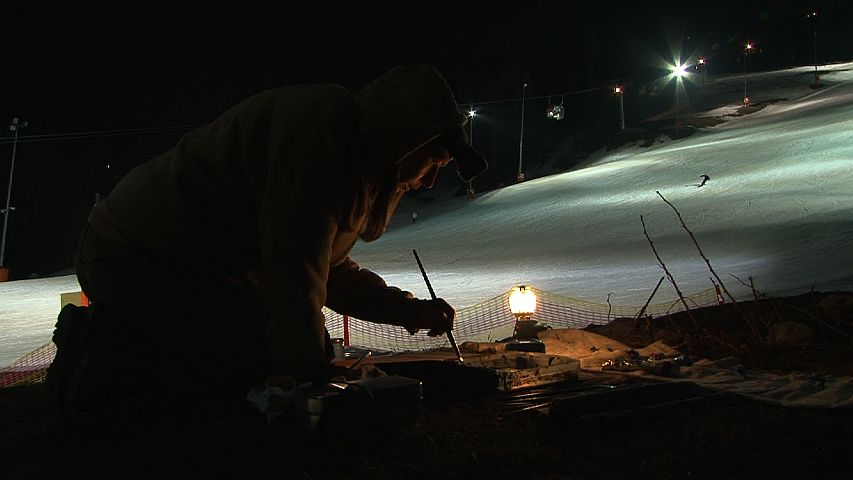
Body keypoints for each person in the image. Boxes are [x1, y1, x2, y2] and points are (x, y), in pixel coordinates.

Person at [57, 63, 487, 429]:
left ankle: (131, 346)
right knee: (251, 362)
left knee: (288, 351)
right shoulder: (320, 142)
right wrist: (305, 387)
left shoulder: (351, 157)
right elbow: (293, 272)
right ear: (404, 139)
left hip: (182, 262)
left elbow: (326, 269)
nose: (430, 180)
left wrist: (409, 311)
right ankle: (102, 352)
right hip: (132, 254)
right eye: (433, 161)